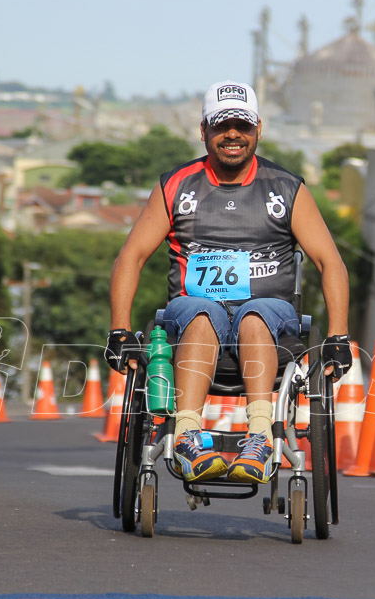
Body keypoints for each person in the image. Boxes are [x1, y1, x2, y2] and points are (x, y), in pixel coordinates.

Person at [106, 80, 352, 485]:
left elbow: (330, 262)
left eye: (242, 125)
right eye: (221, 126)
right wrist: (118, 329)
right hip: (192, 310)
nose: (232, 134)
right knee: (201, 311)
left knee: (255, 315)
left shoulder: (287, 188)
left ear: (258, 128)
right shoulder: (176, 185)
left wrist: (339, 337)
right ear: (204, 131)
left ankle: (260, 436)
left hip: (269, 313)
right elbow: (130, 256)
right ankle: (187, 436)